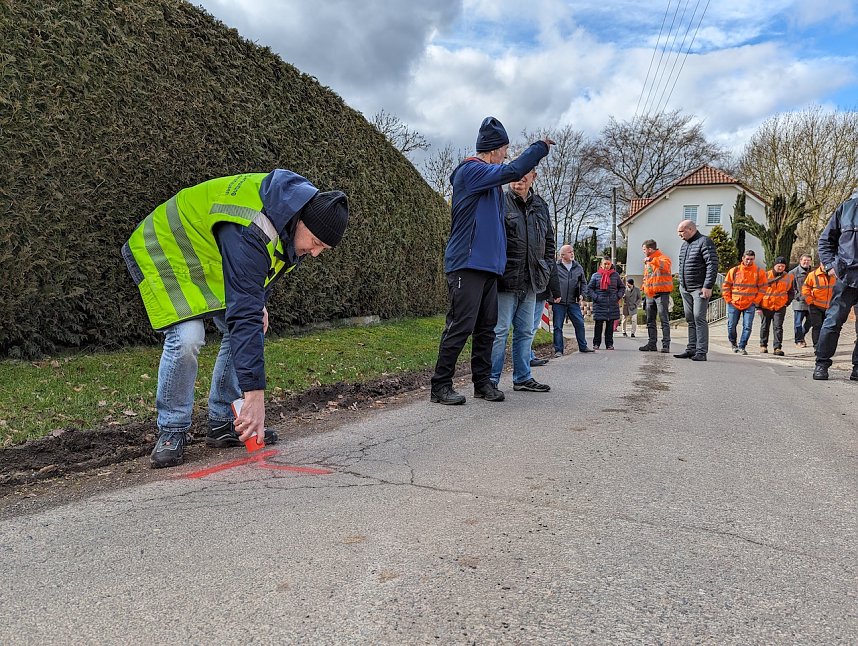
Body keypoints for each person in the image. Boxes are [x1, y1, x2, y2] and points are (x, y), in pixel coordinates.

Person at [121, 170, 349, 468]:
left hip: (207, 257)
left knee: (255, 322)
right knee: (188, 337)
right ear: (302, 220)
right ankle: (172, 429)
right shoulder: (253, 226)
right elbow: (244, 305)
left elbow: (259, 274)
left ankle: (222, 420)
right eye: (316, 242)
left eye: (324, 249)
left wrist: (259, 303)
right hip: (166, 248)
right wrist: (254, 398)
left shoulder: (290, 219)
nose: (316, 253)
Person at [430, 117, 553, 404]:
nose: (506, 156)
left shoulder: (490, 184)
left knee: (486, 328)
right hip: (467, 264)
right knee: (460, 325)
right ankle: (440, 386)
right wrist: (540, 147)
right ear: (494, 149)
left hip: (489, 268)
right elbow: (513, 170)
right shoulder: (472, 171)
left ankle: (482, 383)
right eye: (505, 150)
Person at [489, 169, 554, 394]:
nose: (521, 179)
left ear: (534, 177)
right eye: (517, 174)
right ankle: (490, 379)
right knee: (500, 331)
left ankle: (523, 377)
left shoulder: (540, 206)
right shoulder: (500, 201)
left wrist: (546, 267)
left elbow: (549, 241)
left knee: (526, 331)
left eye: (526, 174)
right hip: (506, 279)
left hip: (532, 280)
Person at [812, 191, 858, 381]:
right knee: (832, 321)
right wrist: (831, 266)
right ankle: (822, 363)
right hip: (846, 277)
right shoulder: (846, 208)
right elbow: (825, 241)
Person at [674, 219, 719, 361]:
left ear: (690, 229)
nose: (679, 235)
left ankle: (701, 351)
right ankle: (691, 348)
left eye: (681, 231)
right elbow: (682, 264)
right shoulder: (684, 245)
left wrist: (708, 286)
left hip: (699, 288)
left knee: (699, 317)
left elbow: (712, 264)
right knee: (690, 319)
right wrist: (681, 284)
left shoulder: (705, 242)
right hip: (685, 288)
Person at [549, 245, 593, 356]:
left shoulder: (578, 267)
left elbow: (583, 282)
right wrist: (552, 297)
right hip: (559, 302)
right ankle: (559, 350)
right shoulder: (555, 266)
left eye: (572, 251)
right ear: (562, 255)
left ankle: (583, 346)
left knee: (579, 323)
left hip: (573, 302)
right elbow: (550, 282)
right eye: (569, 252)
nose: (572, 253)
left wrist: (582, 294)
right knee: (558, 326)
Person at [722, 250, 767, 355]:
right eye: (747, 259)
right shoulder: (734, 271)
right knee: (731, 325)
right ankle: (733, 344)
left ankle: (742, 346)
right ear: (743, 258)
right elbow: (726, 286)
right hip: (734, 303)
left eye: (751, 259)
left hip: (749, 304)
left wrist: (756, 301)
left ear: (754, 259)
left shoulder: (759, 272)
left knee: (747, 326)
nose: (749, 261)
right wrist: (728, 299)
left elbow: (763, 288)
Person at [638, 239, 672, 353]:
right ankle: (652, 343)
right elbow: (648, 277)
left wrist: (652, 259)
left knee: (663, 319)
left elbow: (665, 266)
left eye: (644, 249)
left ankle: (666, 345)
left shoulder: (662, 258)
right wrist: (644, 287)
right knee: (650, 320)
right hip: (649, 294)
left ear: (650, 249)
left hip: (661, 293)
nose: (643, 251)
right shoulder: (648, 262)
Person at [758, 256, 796, 356]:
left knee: (778, 327)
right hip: (766, 305)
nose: (781, 268)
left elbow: (791, 292)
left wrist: (787, 303)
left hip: (780, 306)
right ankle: (763, 345)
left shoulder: (788, 277)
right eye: (779, 266)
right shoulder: (765, 275)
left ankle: (777, 348)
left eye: (783, 266)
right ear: (774, 265)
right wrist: (758, 306)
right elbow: (758, 291)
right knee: (764, 326)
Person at [586, 257, 625, 350]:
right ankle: (596, 343)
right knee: (598, 325)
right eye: (605, 264)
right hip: (599, 304)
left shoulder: (615, 275)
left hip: (612, 304)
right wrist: (596, 297)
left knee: (610, 326)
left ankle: (609, 344)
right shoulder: (595, 276)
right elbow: (589, 288)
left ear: (611, 264)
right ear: (601, 264)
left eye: (608, 264)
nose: (607, 265)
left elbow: (622, 287)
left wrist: (617, 296)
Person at [802, 261, 836, 351]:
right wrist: (810, 301)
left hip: (829, 306)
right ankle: (817, 347)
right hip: (815, 306)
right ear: (820, 264)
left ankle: (824, 346)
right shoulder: (812, 275)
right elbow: (805, 289)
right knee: (817, 326)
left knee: (827, 327)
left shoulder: (834, 274)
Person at [789, 253, 813, 348]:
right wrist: (797, 296)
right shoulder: (793, 273)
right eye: (804, 260)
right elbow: (790, 287)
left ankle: (801, 336)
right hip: (799, 301)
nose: (806, 262)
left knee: (810, 321)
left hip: (811, 301)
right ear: (800, 261)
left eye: (808, 261)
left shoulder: (812, 272)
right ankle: (798, 341)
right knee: (798, 322)